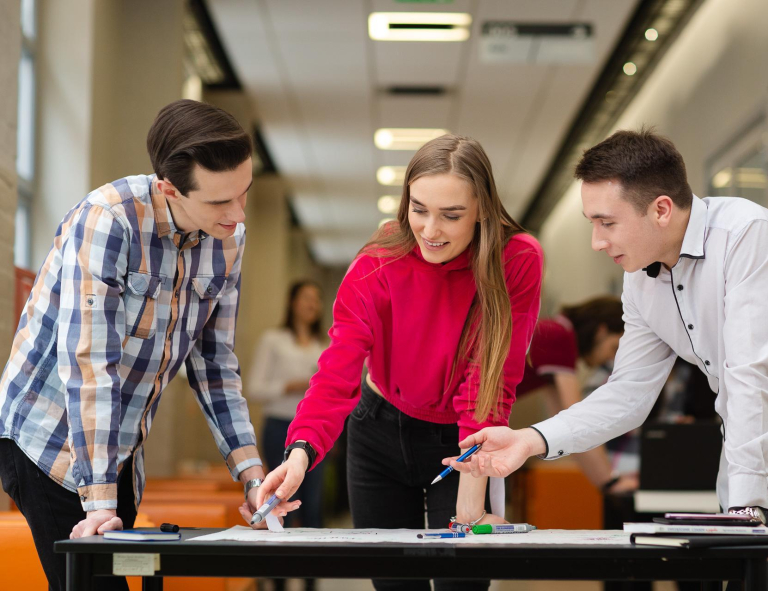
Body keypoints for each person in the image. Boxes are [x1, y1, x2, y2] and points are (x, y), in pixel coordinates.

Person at [0, 99, 298, 591]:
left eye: (242, 193)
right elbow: (89, 363)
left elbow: (216, 366)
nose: (238, 214)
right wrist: (98, 503)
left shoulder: (227, 237)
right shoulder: (107, 220)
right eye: (220, 202)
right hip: (49, 439)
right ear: (168, 189)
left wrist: (252, 477)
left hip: (120, 448)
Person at [257, 134, 544, 591]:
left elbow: (490, 380)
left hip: (462, 438)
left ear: (483, 210)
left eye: (451, 215)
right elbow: (338, 370)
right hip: (378, 430)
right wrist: (301, 452)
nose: (430, 230)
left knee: (462, 582)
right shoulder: (379, 260)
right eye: (419, 209)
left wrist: (472, 499)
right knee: (393, 584)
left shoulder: (516, 259)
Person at [445, 128, 768, 528]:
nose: (597, 242)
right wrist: (530, 439)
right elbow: (628, 392)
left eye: (607, 222)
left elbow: (750, 377)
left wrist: (748, 505)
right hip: (744, 464)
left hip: (751, 472)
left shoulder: (746, 235)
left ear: (661, 210)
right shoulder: (641, 278)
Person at [248, 280, 327, 591]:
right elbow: (254, 388)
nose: (312, 305)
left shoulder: (325, 345)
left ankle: (311, 581)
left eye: (316, 299)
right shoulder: (274, 340)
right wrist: (288, 386)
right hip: (280, 428)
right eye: (306, 298)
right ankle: (279, 581)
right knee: (278, 502)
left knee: (313, 506)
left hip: (317, 434)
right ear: (292, 302)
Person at [520, 296, 637, 494]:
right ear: (601, 330)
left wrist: (607, 481)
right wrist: (610, 481)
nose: (611, 358)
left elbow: (564, 428)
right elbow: (577, 420)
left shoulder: (556, 333)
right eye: (614, 348)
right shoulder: (560, 335)